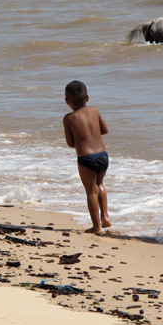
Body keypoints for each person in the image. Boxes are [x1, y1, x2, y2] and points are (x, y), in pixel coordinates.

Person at [63, 80, 112, 234]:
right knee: (100, 183)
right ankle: (105, 216)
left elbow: (70, 143)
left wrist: (81, 140)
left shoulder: (69, 118)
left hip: (86, 158)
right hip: (103, 155)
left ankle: (96, 227)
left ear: (67, 101)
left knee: (91, 191)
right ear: (88, 97)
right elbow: (105, 130)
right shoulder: (94, 110)